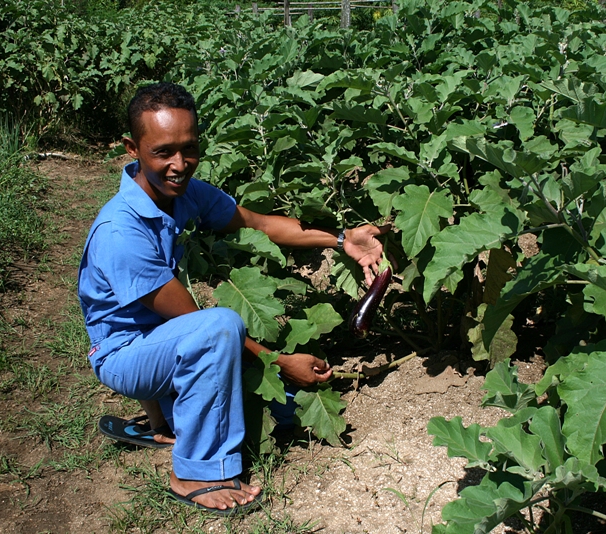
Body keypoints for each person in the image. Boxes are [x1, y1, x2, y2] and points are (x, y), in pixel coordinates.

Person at [77, 82, 387, 515]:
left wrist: (341, 239)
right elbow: (194, 324)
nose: (179, 164)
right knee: (220, 326)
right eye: (163, 152)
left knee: (281, 409)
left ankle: (160, 422)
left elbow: (258, 222)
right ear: (133, 148)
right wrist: (279, 363)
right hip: (125, 355)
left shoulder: (182, 194)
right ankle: (196, 473)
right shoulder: (121, 231)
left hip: (159, 340)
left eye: (189, 149)